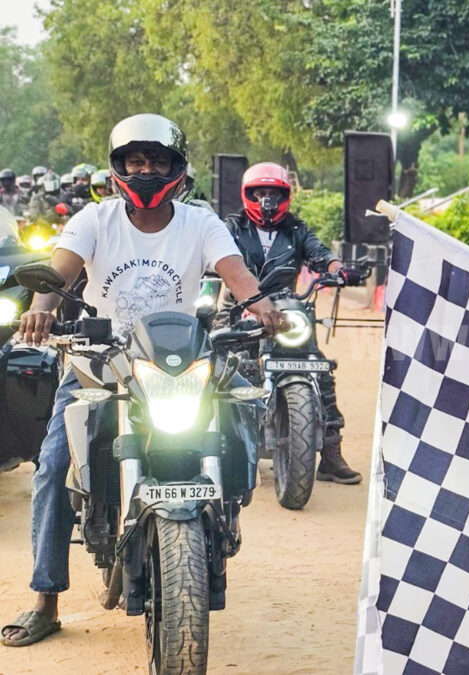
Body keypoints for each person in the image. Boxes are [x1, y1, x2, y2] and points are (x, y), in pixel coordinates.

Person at [0, 113, 287, 648]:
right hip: (99, 361)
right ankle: (45, 599)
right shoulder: (94, 219)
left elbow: (236, 272)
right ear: (119, 168)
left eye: (158, 161)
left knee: (238, 418)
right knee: (54, 465)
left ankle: (222, 516)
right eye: (137, 161)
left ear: (177, 168)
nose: (147, 170)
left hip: (178, 363)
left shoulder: (200, 222)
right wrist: (40, 310)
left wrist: (264, 307)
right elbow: (57, 272)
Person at [224, 161, 362, 485]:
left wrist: (337, 267)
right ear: (249, 195)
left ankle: (330, 453)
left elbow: (320, 253)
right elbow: (214, 254)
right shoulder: (231, 227)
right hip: (238, 309)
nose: (267, 200)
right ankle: (222, 448)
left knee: (319, 368)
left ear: (285, 195)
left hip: (288, 311)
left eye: (274, 192)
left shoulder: (296, 230)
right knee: (225, 368)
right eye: (261, 192)